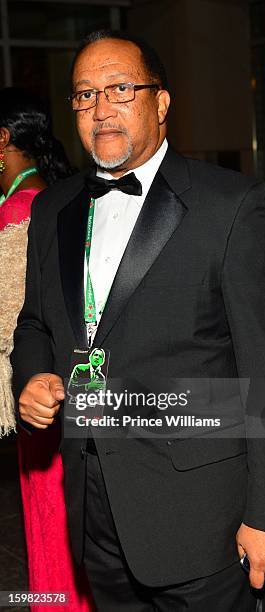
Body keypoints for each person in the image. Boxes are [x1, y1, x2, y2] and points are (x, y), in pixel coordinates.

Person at [11, 31, 265, 611]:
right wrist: (34, 373)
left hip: (203, 516)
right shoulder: (54, 209)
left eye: (121, 89)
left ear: (161, 102)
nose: (101, 109)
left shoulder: (231, 206)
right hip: (93, 507)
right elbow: (35, 323)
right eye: (85, 95)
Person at [0, 87, 93, 611]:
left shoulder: (21, 206)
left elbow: (14, 318)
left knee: (52, 519)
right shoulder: (52, 195)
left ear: (3, 139)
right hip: (54, 384)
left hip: (40, 387)